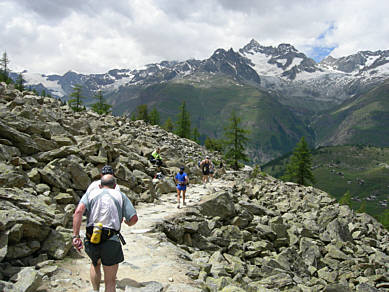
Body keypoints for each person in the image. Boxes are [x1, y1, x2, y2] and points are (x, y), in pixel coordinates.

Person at [72, 174, 138, 292]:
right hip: (111, 239)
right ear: (115, 185)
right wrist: (128, 223)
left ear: (99, 185)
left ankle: (95, 290)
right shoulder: (121, 195)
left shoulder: (90, 194)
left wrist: (76, 236)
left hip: (91, 236)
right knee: (110, 281)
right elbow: (133, 219)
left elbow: (78, 212)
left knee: (95, 264)